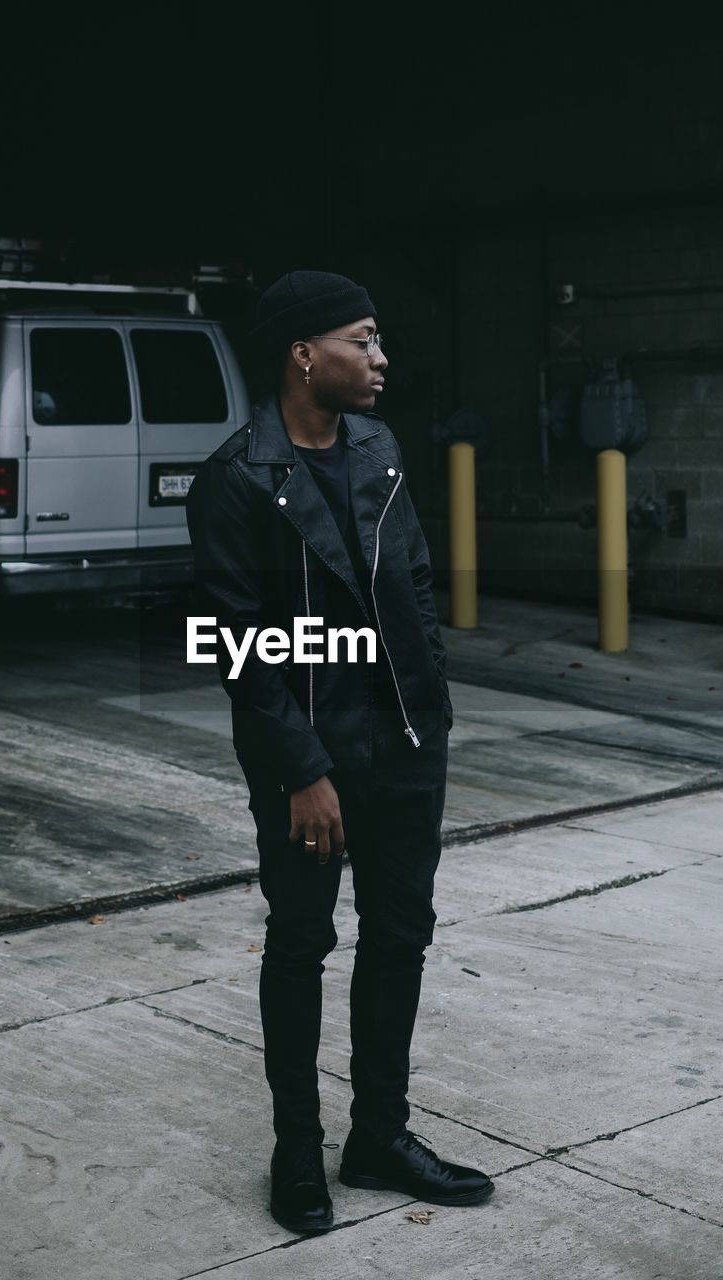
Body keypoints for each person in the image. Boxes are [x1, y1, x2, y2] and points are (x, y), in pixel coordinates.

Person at [186, 270, 493, 1233]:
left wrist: (430, 711)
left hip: (405, 744)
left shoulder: (380, 448)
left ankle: (378, 1137)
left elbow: (413, 586)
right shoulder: (236, 479)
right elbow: (236, 646)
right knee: (302, 942)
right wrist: (304, 773)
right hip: (309, 760)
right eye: (363, 339)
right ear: (303, 353)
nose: (380, 358)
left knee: (401, 936)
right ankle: (296, 1151)